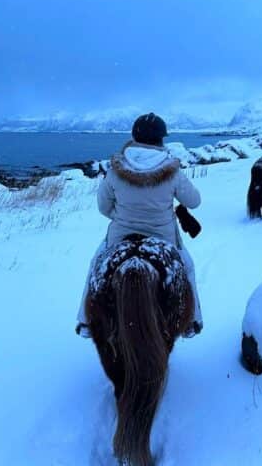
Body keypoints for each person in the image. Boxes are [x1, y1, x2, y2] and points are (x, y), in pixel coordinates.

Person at [76, 113, 203, 338]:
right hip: (163, 237)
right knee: (188, 267)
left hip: (120, 236)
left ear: (134, 137)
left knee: (96, 263)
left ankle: (85, 321)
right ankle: (192, 320)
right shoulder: (171, 169)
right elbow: (194, 201)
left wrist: (123, 216)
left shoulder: (116, 169)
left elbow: (103, 207)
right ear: (161, 139)